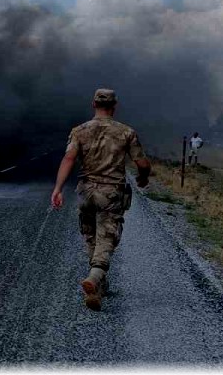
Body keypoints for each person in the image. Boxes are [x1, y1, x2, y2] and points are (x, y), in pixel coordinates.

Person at [51, 88, 151, 311]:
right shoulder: (126, 132)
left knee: (90, 235)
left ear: (93, 105)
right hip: (110, 192)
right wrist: (143, 178)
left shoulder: (79, 131)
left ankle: (99, 286)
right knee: (107, 236)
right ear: (114, 107)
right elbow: (142, 163)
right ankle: (95, 277)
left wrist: (57, 188)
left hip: (86, 191)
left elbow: (68, 158)